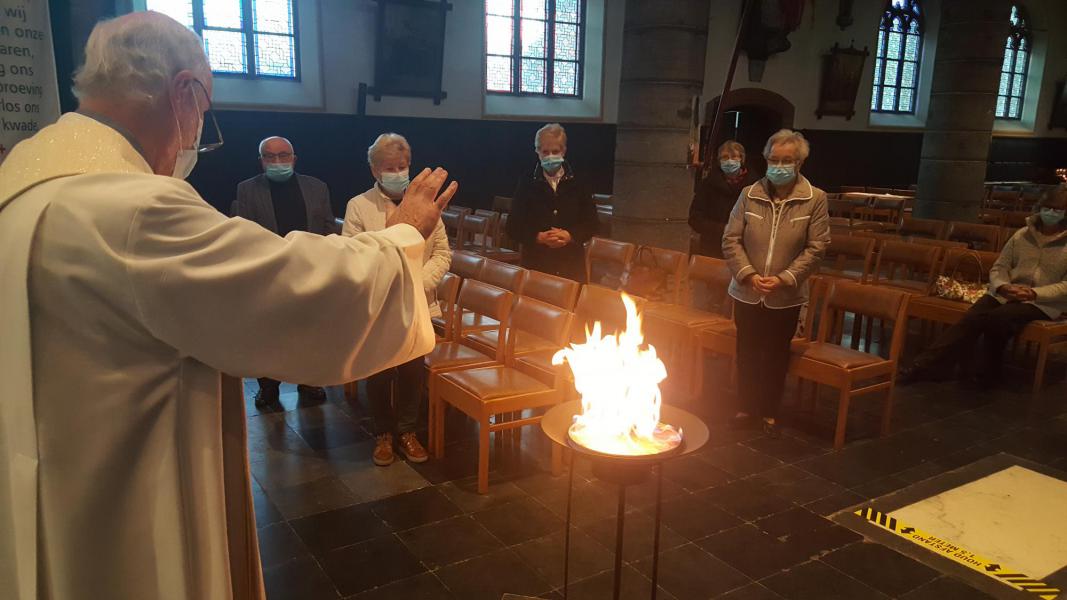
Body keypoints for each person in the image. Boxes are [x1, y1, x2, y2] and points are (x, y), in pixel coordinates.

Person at [0, 12, 456, 600]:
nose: (195, 137)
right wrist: (404, 238)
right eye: (204, 114)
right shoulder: (131, 209)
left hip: (46, 489)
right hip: (130, 521)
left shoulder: (24, 184)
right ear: (184, 93)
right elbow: (291, 287)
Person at [343, 133, 451, 466]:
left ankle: (407, 431)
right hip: (380, 306)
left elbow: (443, 253)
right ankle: (383, 434)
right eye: (389, 167)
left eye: (403, 166)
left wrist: (415, 283)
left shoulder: (427, 205)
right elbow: (354, 254)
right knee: (379, 372)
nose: (398, 172)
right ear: (375, 170)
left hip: (419, 302)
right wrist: (394, 283)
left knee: (411, 371)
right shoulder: (359, 206)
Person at [900, 186, 1067, 387]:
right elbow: (1001, 266)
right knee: (971, 317)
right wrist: (1003, 286)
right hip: (1007, 292)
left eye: (1057, 209)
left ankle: (982, 370)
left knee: (998, 317)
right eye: (1047, 208)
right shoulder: (1022, 235)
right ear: (1039, 208)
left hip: (1043, 301)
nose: (1050, 213)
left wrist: (1034, 292)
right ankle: (926, 366)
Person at [722, 129, 830, 438]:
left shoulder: (815, 199)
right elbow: (731, 239)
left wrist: (784, 278)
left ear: (799, 163)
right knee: (747, 350)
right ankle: (745, 406)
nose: (778, 165)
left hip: (786, 294)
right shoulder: (749, 194)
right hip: (747, 289)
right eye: (773, 159)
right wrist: (749, 274)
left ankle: (768, 410)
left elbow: (817, 247)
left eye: (786, 160)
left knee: (775, 353)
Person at [232, 136, 338, 407]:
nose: (277, 161)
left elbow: (327, 228)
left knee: (312, 331)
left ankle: (310, 380)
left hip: (310, 271)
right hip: (270, 274)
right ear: (261, 162)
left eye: (283, 155)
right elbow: (243, 235)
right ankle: (269, 387)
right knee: (269, 336)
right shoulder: (247, 190)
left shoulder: (317, 187)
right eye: (270, 156)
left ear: (294, 158)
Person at [505, 123, 599, 282]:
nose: (550, 156)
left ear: (564, 151)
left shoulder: (579, 181)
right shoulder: (527, 182)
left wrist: (569, 235)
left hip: (571, 265)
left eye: (555, 151)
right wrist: (539, 237)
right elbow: (513, 226)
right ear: (537, 152)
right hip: (536, 265)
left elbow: (591, 223)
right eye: (545, 152)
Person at [690, 140, 759, 258]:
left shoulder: (756, 188)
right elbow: (694, 219)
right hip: (711, 250)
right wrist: (723, 229)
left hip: (744, 252)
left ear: (741, 159)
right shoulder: (708, 185)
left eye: (734, 157)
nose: (729, 161)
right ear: (719, 161)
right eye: (725, 157)